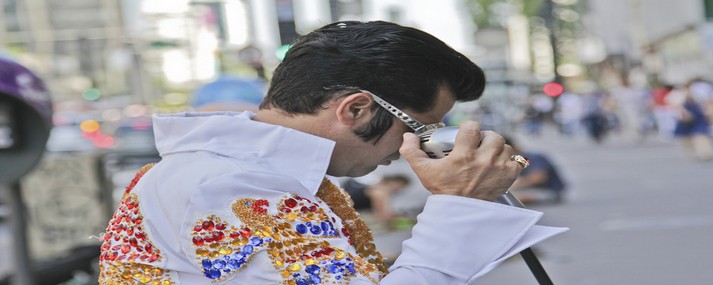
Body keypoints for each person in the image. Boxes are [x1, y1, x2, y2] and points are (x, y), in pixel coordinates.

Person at [97, 21, 566, 284]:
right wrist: (458, 204)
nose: (415, 146)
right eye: (416, 127)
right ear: (358, 109)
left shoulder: (242, 172)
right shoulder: (231, 187)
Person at [506, 137, 567, 205]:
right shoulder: (519, 159)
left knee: (514, 199)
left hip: (549, 191)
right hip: (531, 189)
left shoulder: (534, 157)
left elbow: (538, 178)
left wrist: (516, 186)